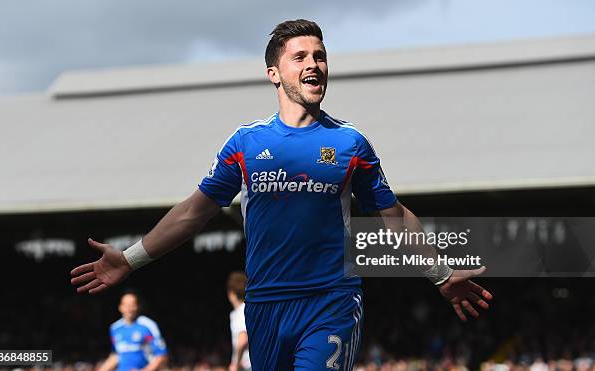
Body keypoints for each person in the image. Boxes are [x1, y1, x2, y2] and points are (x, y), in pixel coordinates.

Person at [71, 19, 493, 370]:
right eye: (301, 57)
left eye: (321, 56)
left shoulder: (350, 143)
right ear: (274, 73)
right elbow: (194, 212)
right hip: (265, 305)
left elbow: (394, 215)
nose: (315, 64)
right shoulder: (246, 143)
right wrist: (130, 258)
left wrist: (438, 272)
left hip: (331, 300)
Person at [98, 290, 168, 371]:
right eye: (126, 305)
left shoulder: (148, 325)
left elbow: (161, 355)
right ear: (120, 307)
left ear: (137, 307)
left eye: (132, 305)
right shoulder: (115, 328)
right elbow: (116, 355)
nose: (129, 309)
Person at [227, 271, 251, 371]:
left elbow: (242, 340)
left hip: (246, 366)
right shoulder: (244, 310)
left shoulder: (241, 311)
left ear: (231, 293)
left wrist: (235, 364)